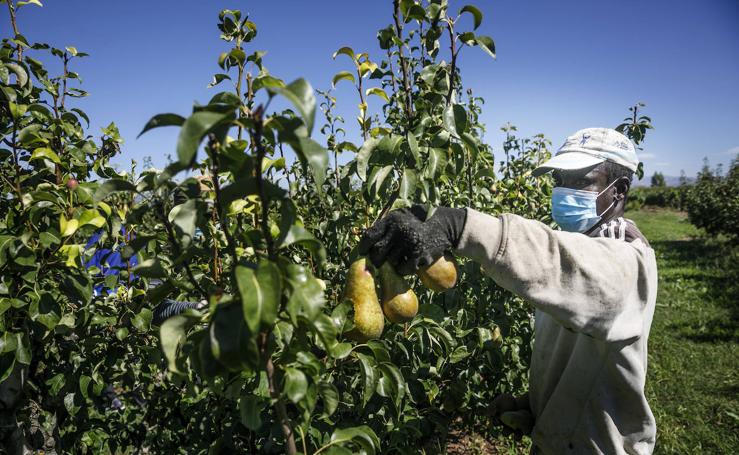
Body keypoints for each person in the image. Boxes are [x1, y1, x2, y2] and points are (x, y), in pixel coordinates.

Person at [358, 127, 657, 454]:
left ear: (619, 191)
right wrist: (533, 407)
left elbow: (559, 260)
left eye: (581, 181)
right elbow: (578, 360)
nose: (563, 190)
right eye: (559, 180)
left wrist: (459, 225)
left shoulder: (628, 261)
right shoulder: (583, 250)